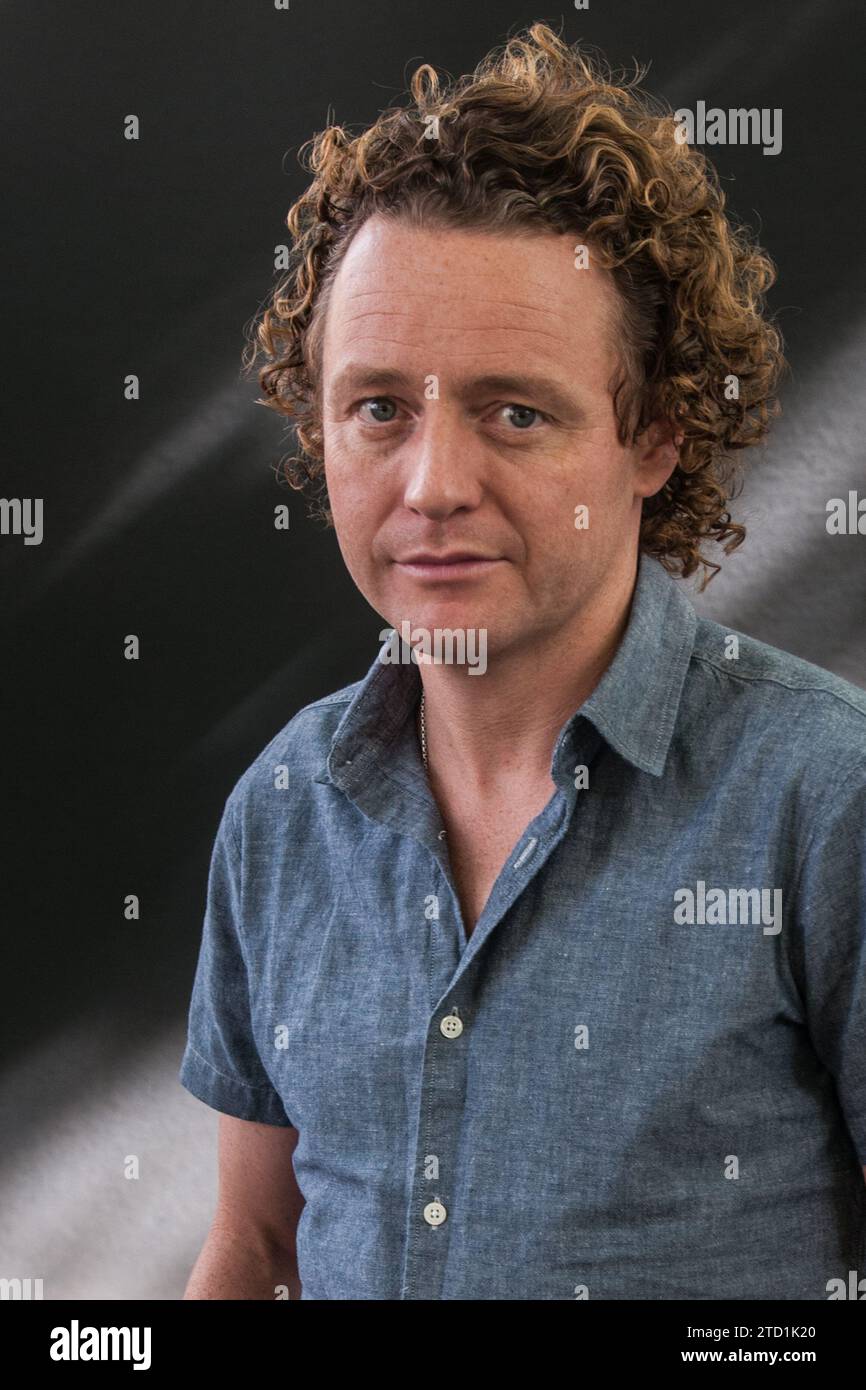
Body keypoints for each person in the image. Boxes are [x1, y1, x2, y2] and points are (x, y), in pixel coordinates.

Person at [179, 22, 866, 1300]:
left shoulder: (824, 800)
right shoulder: (279, 812)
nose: (433, 485)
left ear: (653, 434)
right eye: (378, 407)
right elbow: (256, 1247)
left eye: (515, 411)